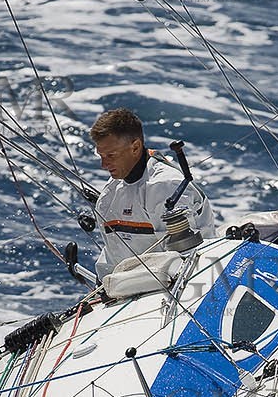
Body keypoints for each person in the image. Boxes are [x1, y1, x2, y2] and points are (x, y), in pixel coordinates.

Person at [90, 107, 215, 279]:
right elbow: (112, 260)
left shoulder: (165, 186)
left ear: (135, 147)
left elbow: (185, 261)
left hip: (194, 281)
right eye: (101, 156)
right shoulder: (108, 196)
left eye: (111, 155)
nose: (103, 165)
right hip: (135, 289)